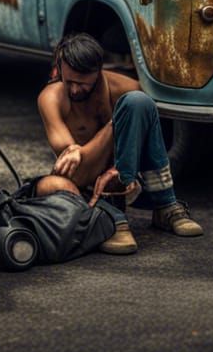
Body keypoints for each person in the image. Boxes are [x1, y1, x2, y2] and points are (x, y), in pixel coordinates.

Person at [36, 33, 203, 254]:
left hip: (128, 178)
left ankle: (165, 205)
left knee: (139, 101)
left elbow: (147, 134)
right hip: (83, 181)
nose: (75, 90)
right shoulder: (51, 98)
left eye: (82, 83)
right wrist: (115, 125)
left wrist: (121, 167)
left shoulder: (125, 88)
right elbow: (71, 161)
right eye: (70, 82)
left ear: (98, 72)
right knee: (51, 183)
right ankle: (112, 219)